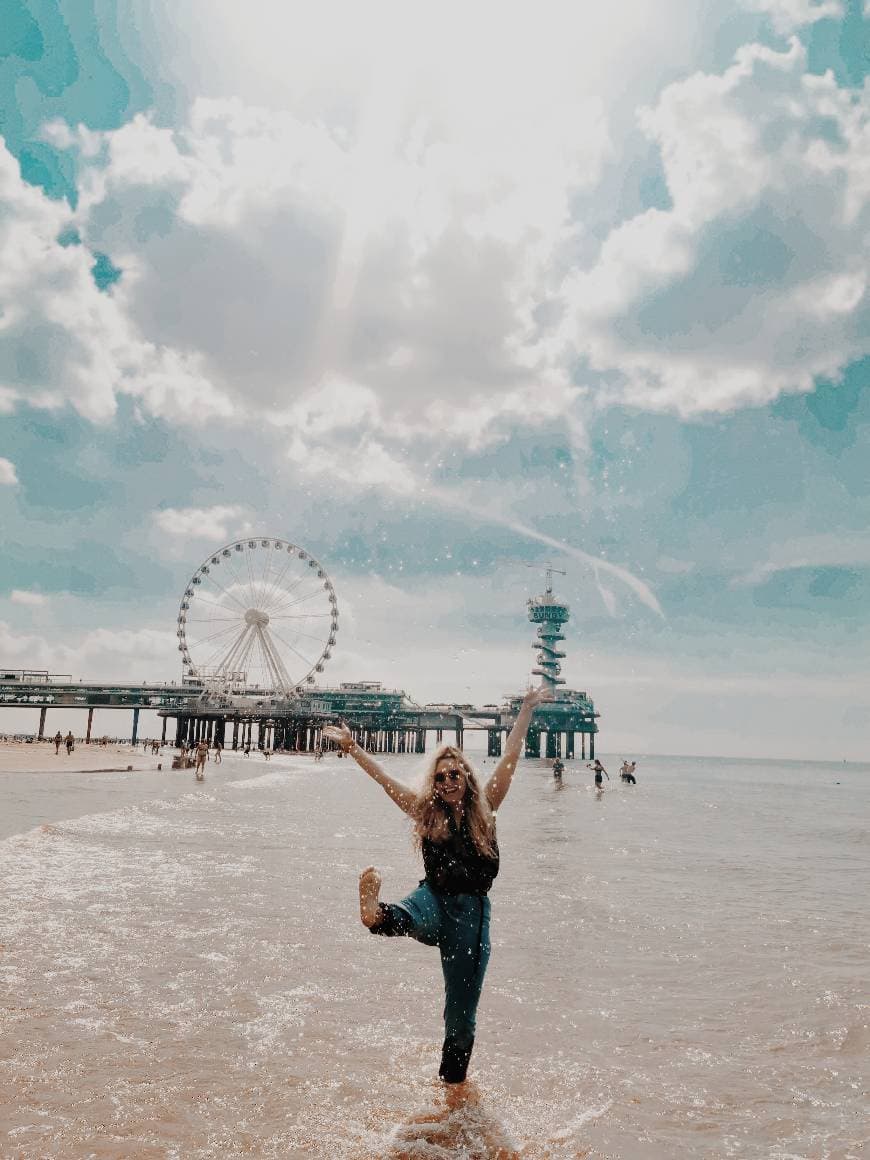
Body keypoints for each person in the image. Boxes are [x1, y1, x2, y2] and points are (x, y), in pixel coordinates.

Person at [323, 683, 552, 1085]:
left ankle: (451, 1087)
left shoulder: (487, 806)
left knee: (460, 1014)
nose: (447, 782)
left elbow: (512, 754)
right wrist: (352, 748)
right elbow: (384, 780)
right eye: (440, 777)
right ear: (435, 782)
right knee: (403, 917)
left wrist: (527, 710)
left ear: (465, 775)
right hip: (433, 899)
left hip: (470, 917)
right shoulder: (424, 811)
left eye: (453, 774)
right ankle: (374, 914)